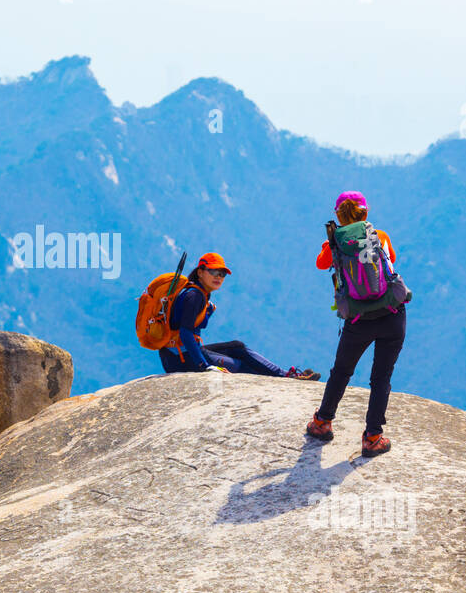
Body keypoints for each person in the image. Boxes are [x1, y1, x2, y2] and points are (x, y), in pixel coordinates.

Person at [305, 192, 406, 457]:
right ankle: (373, 438)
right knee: (381, 377)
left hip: (358, 319)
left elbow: (320, 265)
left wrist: (333, 243)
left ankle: (322, 422)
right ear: (365, 214)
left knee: (341, 372)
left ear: (338, 215)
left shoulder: (334, 244)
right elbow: (391, 258)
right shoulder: (379, 235)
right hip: (392, 313)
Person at [159, 252, 318, 378]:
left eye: (222, 274)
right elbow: (185, 332)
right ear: (200, 272)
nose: (218, 277)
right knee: (241, 365)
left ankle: (285, 375)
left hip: (175, 357)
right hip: (183, 360)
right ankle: (287, 378)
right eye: (213, 271)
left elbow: (193, 325)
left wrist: (207, 312)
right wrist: (204, 366)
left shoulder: (196, 292)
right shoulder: (195, 296)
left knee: (237, 347)